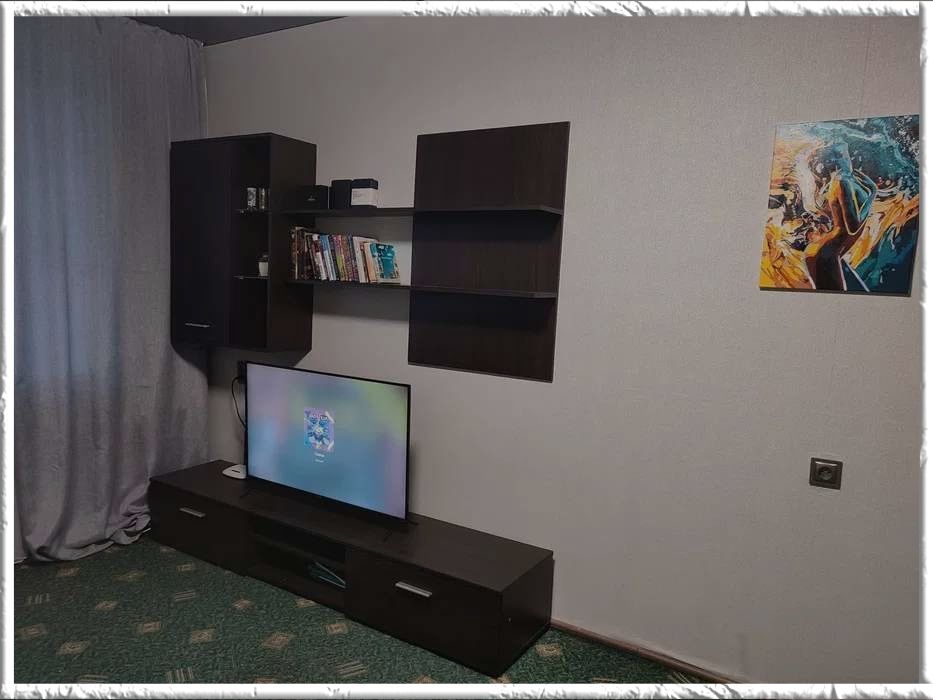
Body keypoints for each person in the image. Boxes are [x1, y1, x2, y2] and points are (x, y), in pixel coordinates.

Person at [803, 142, 877, 290]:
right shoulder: (842, 182)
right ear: (835, 161)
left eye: (847, 154)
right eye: (843, 155)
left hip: (830, 252)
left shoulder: (843, 181)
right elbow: (853, 227)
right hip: (827, 254)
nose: (848, 159)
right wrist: (872, 195)